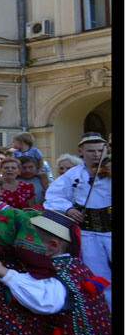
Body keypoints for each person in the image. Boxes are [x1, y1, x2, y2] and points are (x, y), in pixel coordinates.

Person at [44, 132, 111, 310]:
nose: (96, 155)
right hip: (89, 231)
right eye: (91, 151)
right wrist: (69, 209)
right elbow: (53, 196)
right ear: (81, 151)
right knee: (98, 272)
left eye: (100, 150)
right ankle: (104, 312)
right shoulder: (73, 174)